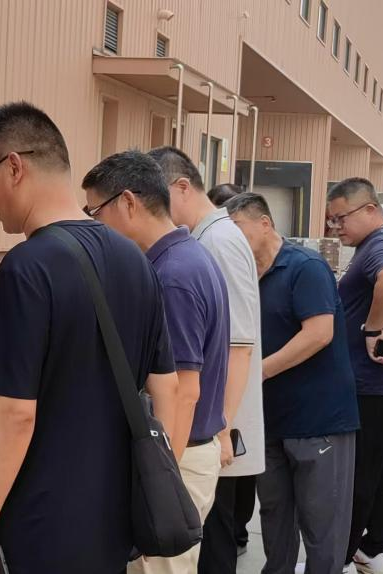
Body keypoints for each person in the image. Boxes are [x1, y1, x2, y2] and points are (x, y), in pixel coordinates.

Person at [0, 102, 179, 574]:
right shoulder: (136, 261)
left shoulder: (26, 268)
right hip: (113, 519)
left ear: (14, 167)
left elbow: (15, 413)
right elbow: (166, 387)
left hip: (41, 525)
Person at [83, 150, 231, 574]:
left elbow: (183, 391)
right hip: (185, 453)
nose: (95, 225)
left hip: (177, 458)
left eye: (96, 212)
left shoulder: (172, 276)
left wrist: (159, 487)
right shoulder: (186, 257)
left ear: (128, 202)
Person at [226, 192, 360, 574]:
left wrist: (258, 371)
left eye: (238, 228)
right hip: (270, 421)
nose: (233, 239)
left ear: (265, 223)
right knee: (275, 514)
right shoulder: (244, 275)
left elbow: (319, 333)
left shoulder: (305, 267)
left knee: (322, 523)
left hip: (318, 420)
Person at [150, 148, 264, 573]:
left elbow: (239, 345)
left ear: (182, 187)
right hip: (203, 423)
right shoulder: (204, 237)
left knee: (210, 549)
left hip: (205, 429)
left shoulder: (217, 240)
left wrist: (222, 428)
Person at [326, 177, 383, 574]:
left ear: (370, 209)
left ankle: (339, 558)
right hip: (382, 382)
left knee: (361, 471)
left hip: (374, 380)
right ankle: (373, 547)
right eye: (331, 220)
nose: (336, 227)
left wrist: (371, 329)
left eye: (341, 217)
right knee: (382, 465)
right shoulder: (379, 244)